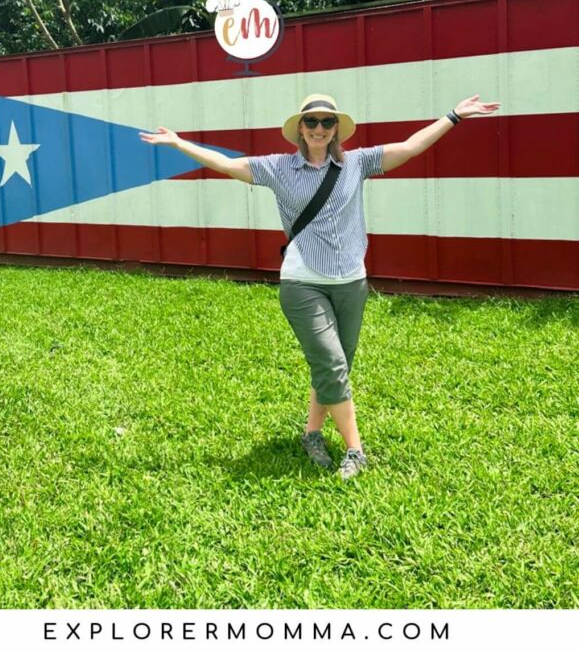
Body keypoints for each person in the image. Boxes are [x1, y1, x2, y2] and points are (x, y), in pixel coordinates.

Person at [140, 92, 499, 479]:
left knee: (336, 367)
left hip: (351, 282)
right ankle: (355, 450)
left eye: (327, 122)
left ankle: (312, 434)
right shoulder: (278, 168)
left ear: (336, 130)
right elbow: (227, 164)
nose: (319, 128)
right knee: (330, 363)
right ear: (299, 128)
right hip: (302, 281)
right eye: (311, 122)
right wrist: (179, 143)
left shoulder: (357, 163)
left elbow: (411, 148)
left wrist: (453, 116)